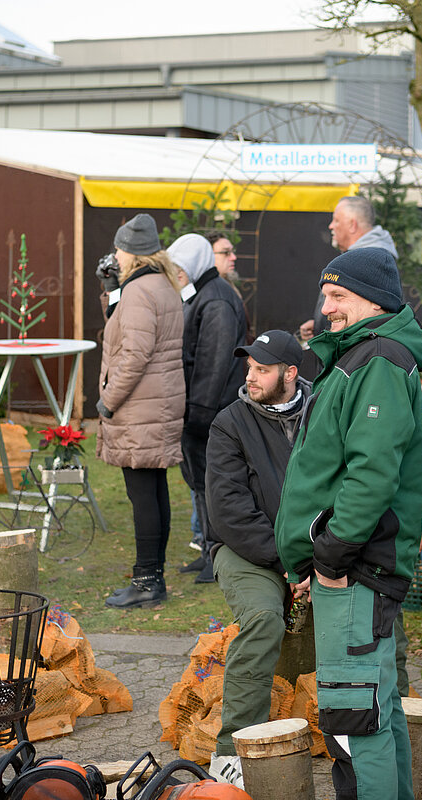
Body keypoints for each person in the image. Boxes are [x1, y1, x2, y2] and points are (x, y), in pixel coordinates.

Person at [275, 246, 422, 800]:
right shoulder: (364, 355)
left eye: (338, 295)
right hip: (354, 569)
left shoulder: (378, 359)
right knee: (377, 709)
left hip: (355, 570)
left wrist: (331, 555)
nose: (327, 307)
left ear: (374, 301)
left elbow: (373, 471)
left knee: (353, 723)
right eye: (326, 295)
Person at [204, 329, 311, 788]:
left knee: (362, 608)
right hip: (245, 550)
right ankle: (230, 755)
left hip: (316, 549)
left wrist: (320, 559)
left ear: (290, 373)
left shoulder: (324, 410)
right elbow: (229, 511)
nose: (250, 377)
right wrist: (289, 562)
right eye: (249, 367)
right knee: (264, 618)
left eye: (262, 369)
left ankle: (370, 733)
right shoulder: (229, 422)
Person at [97, 213, 186, 609]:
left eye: (119, 250)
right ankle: (153, 577)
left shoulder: (138, 291)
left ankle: (147, 581)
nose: (115, 256)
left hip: (140, 406)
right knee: (154, 490)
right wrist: (111, 290)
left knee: (143, 495)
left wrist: (109, 399)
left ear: (132, 253)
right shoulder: (161, 284)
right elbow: (123, 327)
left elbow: (134, 354)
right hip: (159, 402)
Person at [167, 233, 247, 584]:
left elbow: (214, 364)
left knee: (213, 485)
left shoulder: (215, 300)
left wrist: (197, 415)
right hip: (200, 411)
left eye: (180, 268)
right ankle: (208, 552)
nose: (176, 275)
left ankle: (218, 556)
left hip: (211, 412)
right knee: (200, 483)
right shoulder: (201, 293)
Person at [298, 196, 397, 343]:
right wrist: (320, 325)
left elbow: (367, 320)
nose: (331, 226)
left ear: (352, 225)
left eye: (336, 220)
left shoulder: (371, 262)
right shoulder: (358, 257)